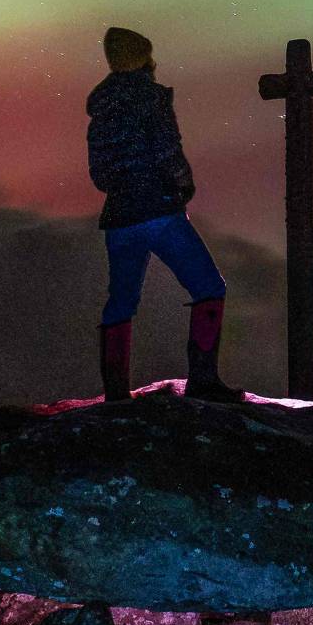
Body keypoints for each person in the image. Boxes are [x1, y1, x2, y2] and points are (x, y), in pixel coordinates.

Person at [87, 26, 238, 401]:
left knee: (120, 301)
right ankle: (203, 383)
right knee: (209, 287)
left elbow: (99, 175)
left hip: (120, 218)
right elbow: (170, 154)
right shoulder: (151, 100)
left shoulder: (101, 111)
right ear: (142, 59)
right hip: (159, 212)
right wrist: (182, 186)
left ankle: (116, 393)